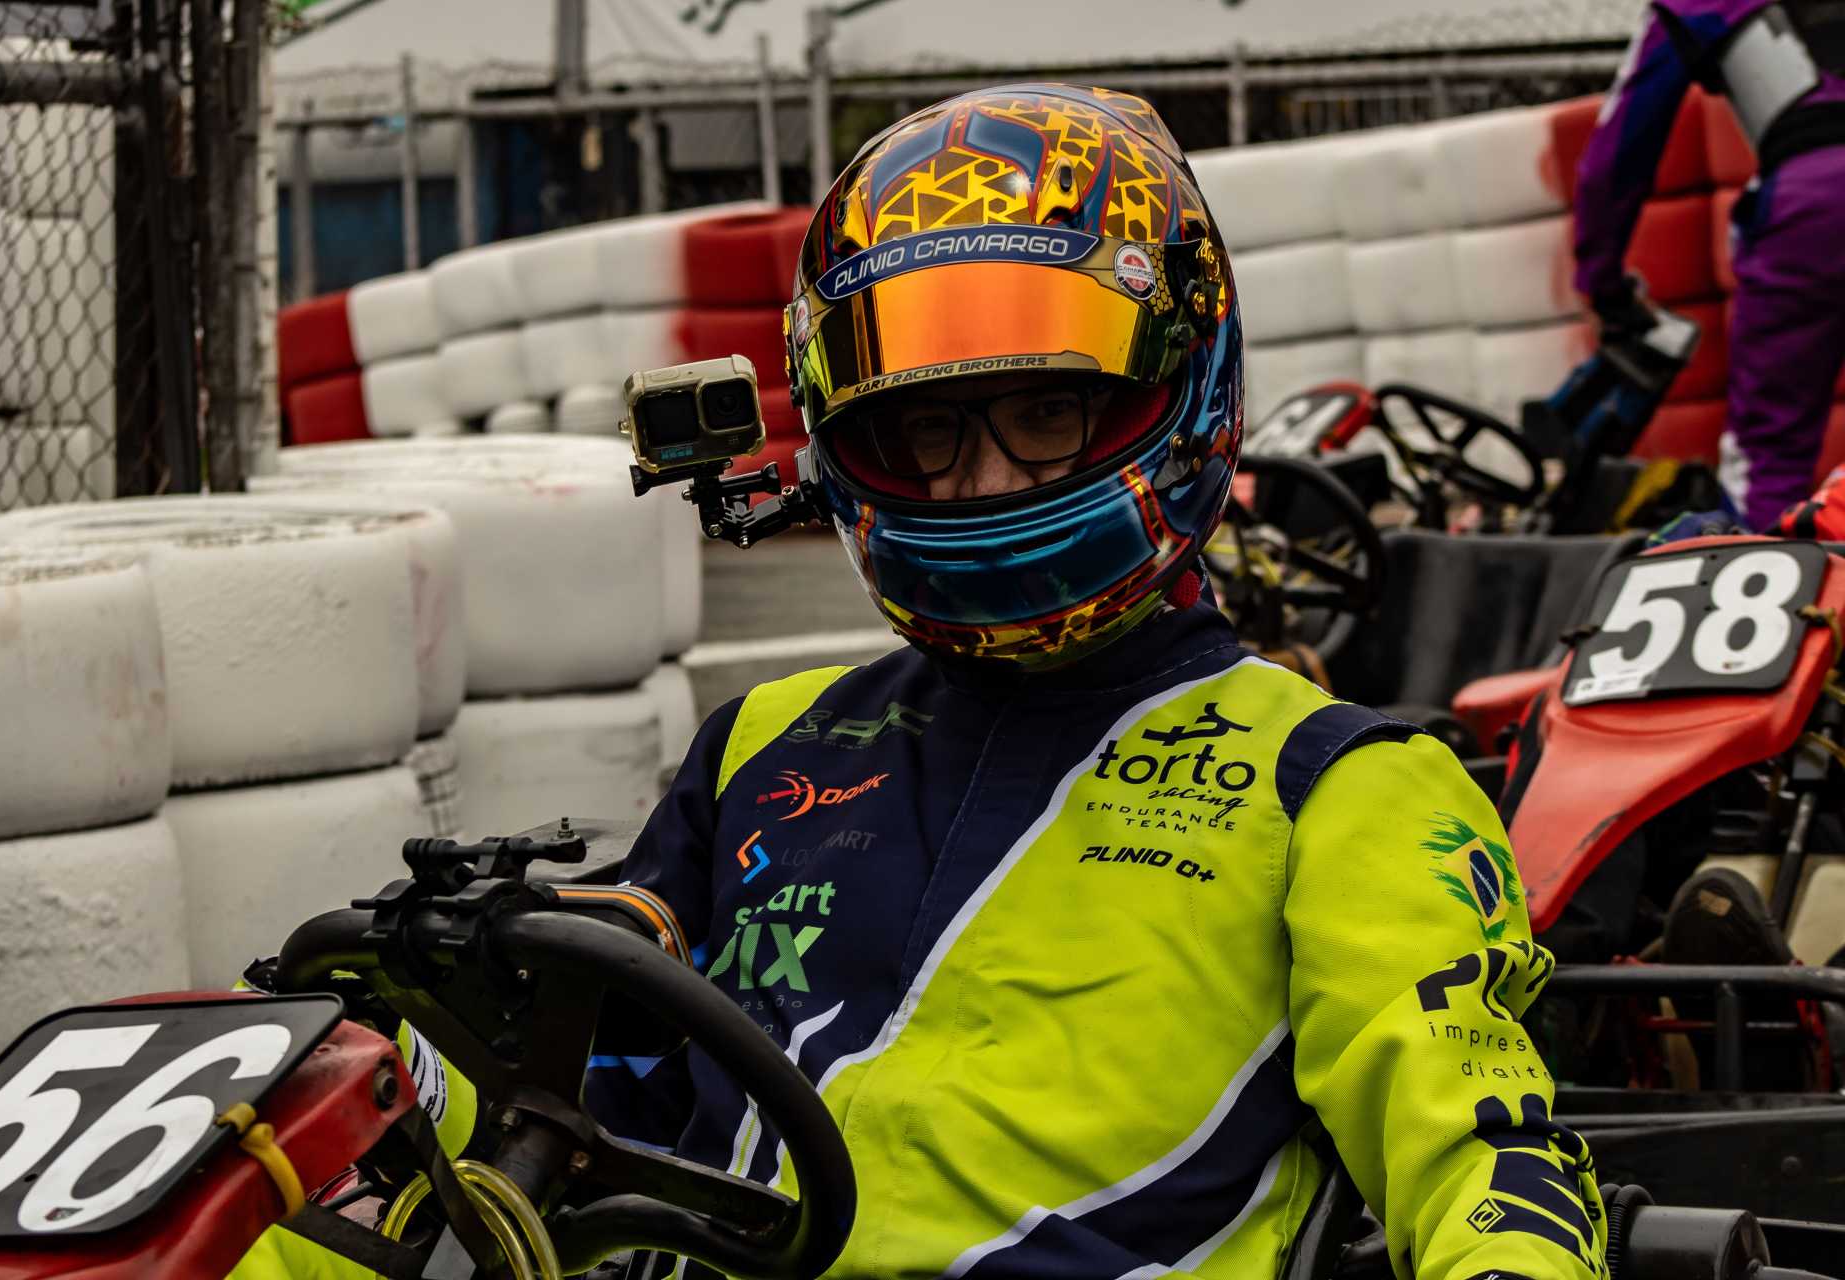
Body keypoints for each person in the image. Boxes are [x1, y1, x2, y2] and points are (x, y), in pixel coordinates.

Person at [585, 86, 1608, 1280]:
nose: (980, 484)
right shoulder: (762, 744)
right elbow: (562, 1088)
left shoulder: (1336, 785)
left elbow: (1483, 1155)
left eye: (1045, 412)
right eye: (927, 430)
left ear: (1170, 387)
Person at [1573, 1, 1845, 532]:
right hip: (1812, 196)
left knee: (1769, 450)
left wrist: (1601, 286)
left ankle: (1766, 574)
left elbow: (1616, 156)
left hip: (1810, 202)